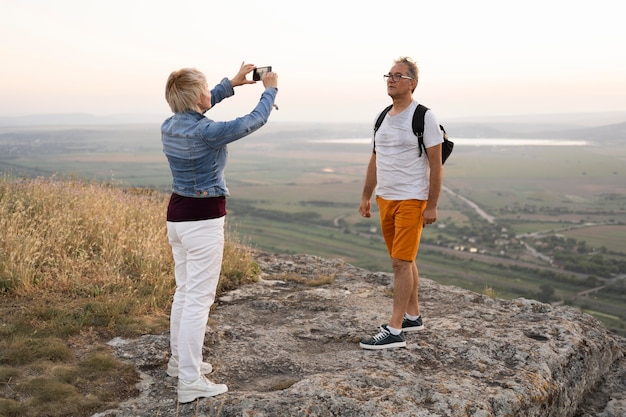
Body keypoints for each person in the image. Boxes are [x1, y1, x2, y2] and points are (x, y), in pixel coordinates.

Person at [161, 62, 278, 402]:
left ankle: (179, 363)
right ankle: (190, 381)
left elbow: (196, 107)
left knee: (185, 293)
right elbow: (252, 121)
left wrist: (233, 83)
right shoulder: (206, 132)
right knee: (198, 300)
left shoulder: (169, 125)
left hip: (178, 217)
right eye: (207, 89)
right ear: (199, 96)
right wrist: (269, 90)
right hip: (203, 221)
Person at [358, 56, 443, 350]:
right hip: (386, 198)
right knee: (404, 259)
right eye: (389, 75)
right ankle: (413, 316)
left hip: (412, 198)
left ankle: (395, 330)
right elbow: (375, 159)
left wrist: (431, 205)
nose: (391, 79)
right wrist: (367, 195)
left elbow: (436, 164)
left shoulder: (424, 116)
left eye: (398, 75)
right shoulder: (381, 118)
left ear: (412, 83)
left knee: (400, 262)